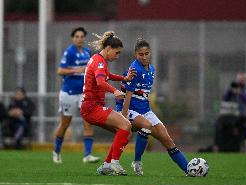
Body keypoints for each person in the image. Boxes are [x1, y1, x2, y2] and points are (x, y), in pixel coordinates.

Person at [116, 38, 189, 176]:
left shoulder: (151, 70)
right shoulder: (134, 70)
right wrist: (123, 117)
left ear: (150, 53)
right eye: (141, 54)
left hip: (145, 110)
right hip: (129, 109)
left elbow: (143, 94)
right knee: (145, 126)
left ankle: (189, 170)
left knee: (167, 139)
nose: (144, 57)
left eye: (146, 53)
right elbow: (128, 95)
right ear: (135, 55)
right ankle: (136, 162)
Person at [80, 31, 137, 176]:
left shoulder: (98, 60)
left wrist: (125, 78)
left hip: (91, 107)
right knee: (126, 125)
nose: (117, 56)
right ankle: (115, 163)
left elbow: (108, 76)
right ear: (108, 48)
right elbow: (100, 81)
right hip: (92, 107)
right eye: (116, 52)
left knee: (125, 132)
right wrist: (115, 91)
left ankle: (106, 165)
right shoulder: (99, 61)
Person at [53, 27, 99, 164]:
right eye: (77, 36)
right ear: (73, 38)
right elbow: (60, 70)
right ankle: (56, 151)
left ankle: (87, 155)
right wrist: (77, 70)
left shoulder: (86, 52)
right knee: (65, 124)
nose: (79, 38)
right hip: (69, 93)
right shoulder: (70, 52)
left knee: (88, 122)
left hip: (83, 94)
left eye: (81, 36)